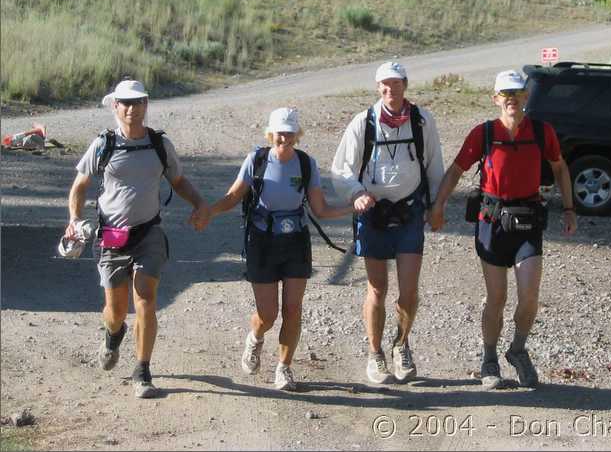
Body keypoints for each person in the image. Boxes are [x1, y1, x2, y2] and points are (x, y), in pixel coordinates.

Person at [429, 70, 577, 389]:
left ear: (526, 97)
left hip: (527, 223)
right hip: (492, 225)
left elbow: (560, 167)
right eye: (505, 94)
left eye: (517, 94)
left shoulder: (542, 132)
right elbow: (456, 170)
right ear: (496, 99)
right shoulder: (483, 133)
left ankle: (518, 350)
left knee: (529, 296)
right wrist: (438, 205)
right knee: (496, 297)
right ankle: (489, 359)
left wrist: (569, 208)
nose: (512, 99)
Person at [64, 79, 210, 399]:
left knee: (146, 298)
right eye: (125, 103)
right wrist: (74, 220)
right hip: (111, 236)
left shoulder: (159, 145)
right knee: (115, 311)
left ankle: (142, 370)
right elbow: (79, 186)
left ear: (146, 105)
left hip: (148, 233)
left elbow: (179, 180)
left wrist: (199, 204)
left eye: (137, 102)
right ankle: (113, 334)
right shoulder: (103, 144)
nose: (131, 109)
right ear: (115, 106)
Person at [195, 107, 352, 391]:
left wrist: (354, 208)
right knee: (268, 314)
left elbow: (320, 209)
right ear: (271, 134)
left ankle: (284, 368)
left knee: (293, 308)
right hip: (262, 242)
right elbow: (233, 196)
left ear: (297, 135)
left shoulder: (306, 164)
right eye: (280, 132)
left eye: (290, 132)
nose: (285, 138)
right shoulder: (256, 160)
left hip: (296, 241)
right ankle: (255, 338)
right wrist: (209, 211)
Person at [331, 61, 444, 384]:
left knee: (409, 291)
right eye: (384, 85)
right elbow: (341, 170)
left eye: (395, 84)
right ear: (377, 87)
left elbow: (434, 165)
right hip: (373, 216)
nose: (389, 90)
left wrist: (436, 205)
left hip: (409, 214)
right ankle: (375, 353)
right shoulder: (363, 123)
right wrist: (356, 193)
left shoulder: (422, 121)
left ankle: (401, 344)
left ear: (405, 85)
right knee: (377, 289)